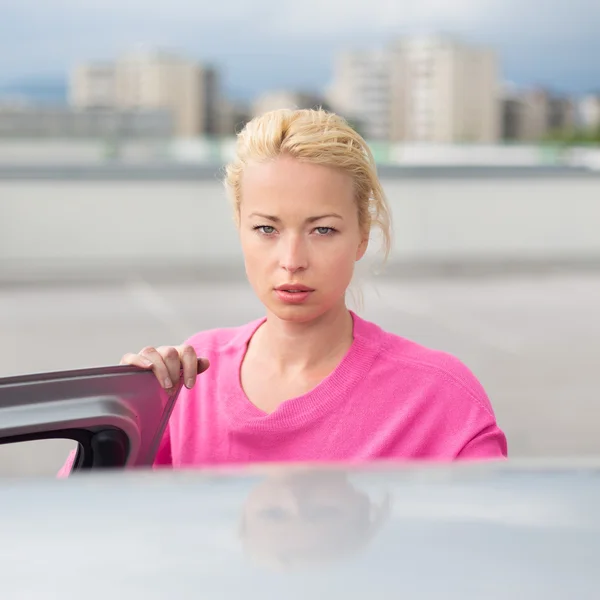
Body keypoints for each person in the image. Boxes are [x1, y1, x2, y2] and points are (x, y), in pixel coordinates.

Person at [60, 107, 507, 476]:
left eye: (323, 229)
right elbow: (84, 532)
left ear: (362, 236)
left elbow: (489, 561)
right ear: (240, 229)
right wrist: (120, 421)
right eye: (266, 229)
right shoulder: (185, 381)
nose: (292, 259)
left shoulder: (440, 396)